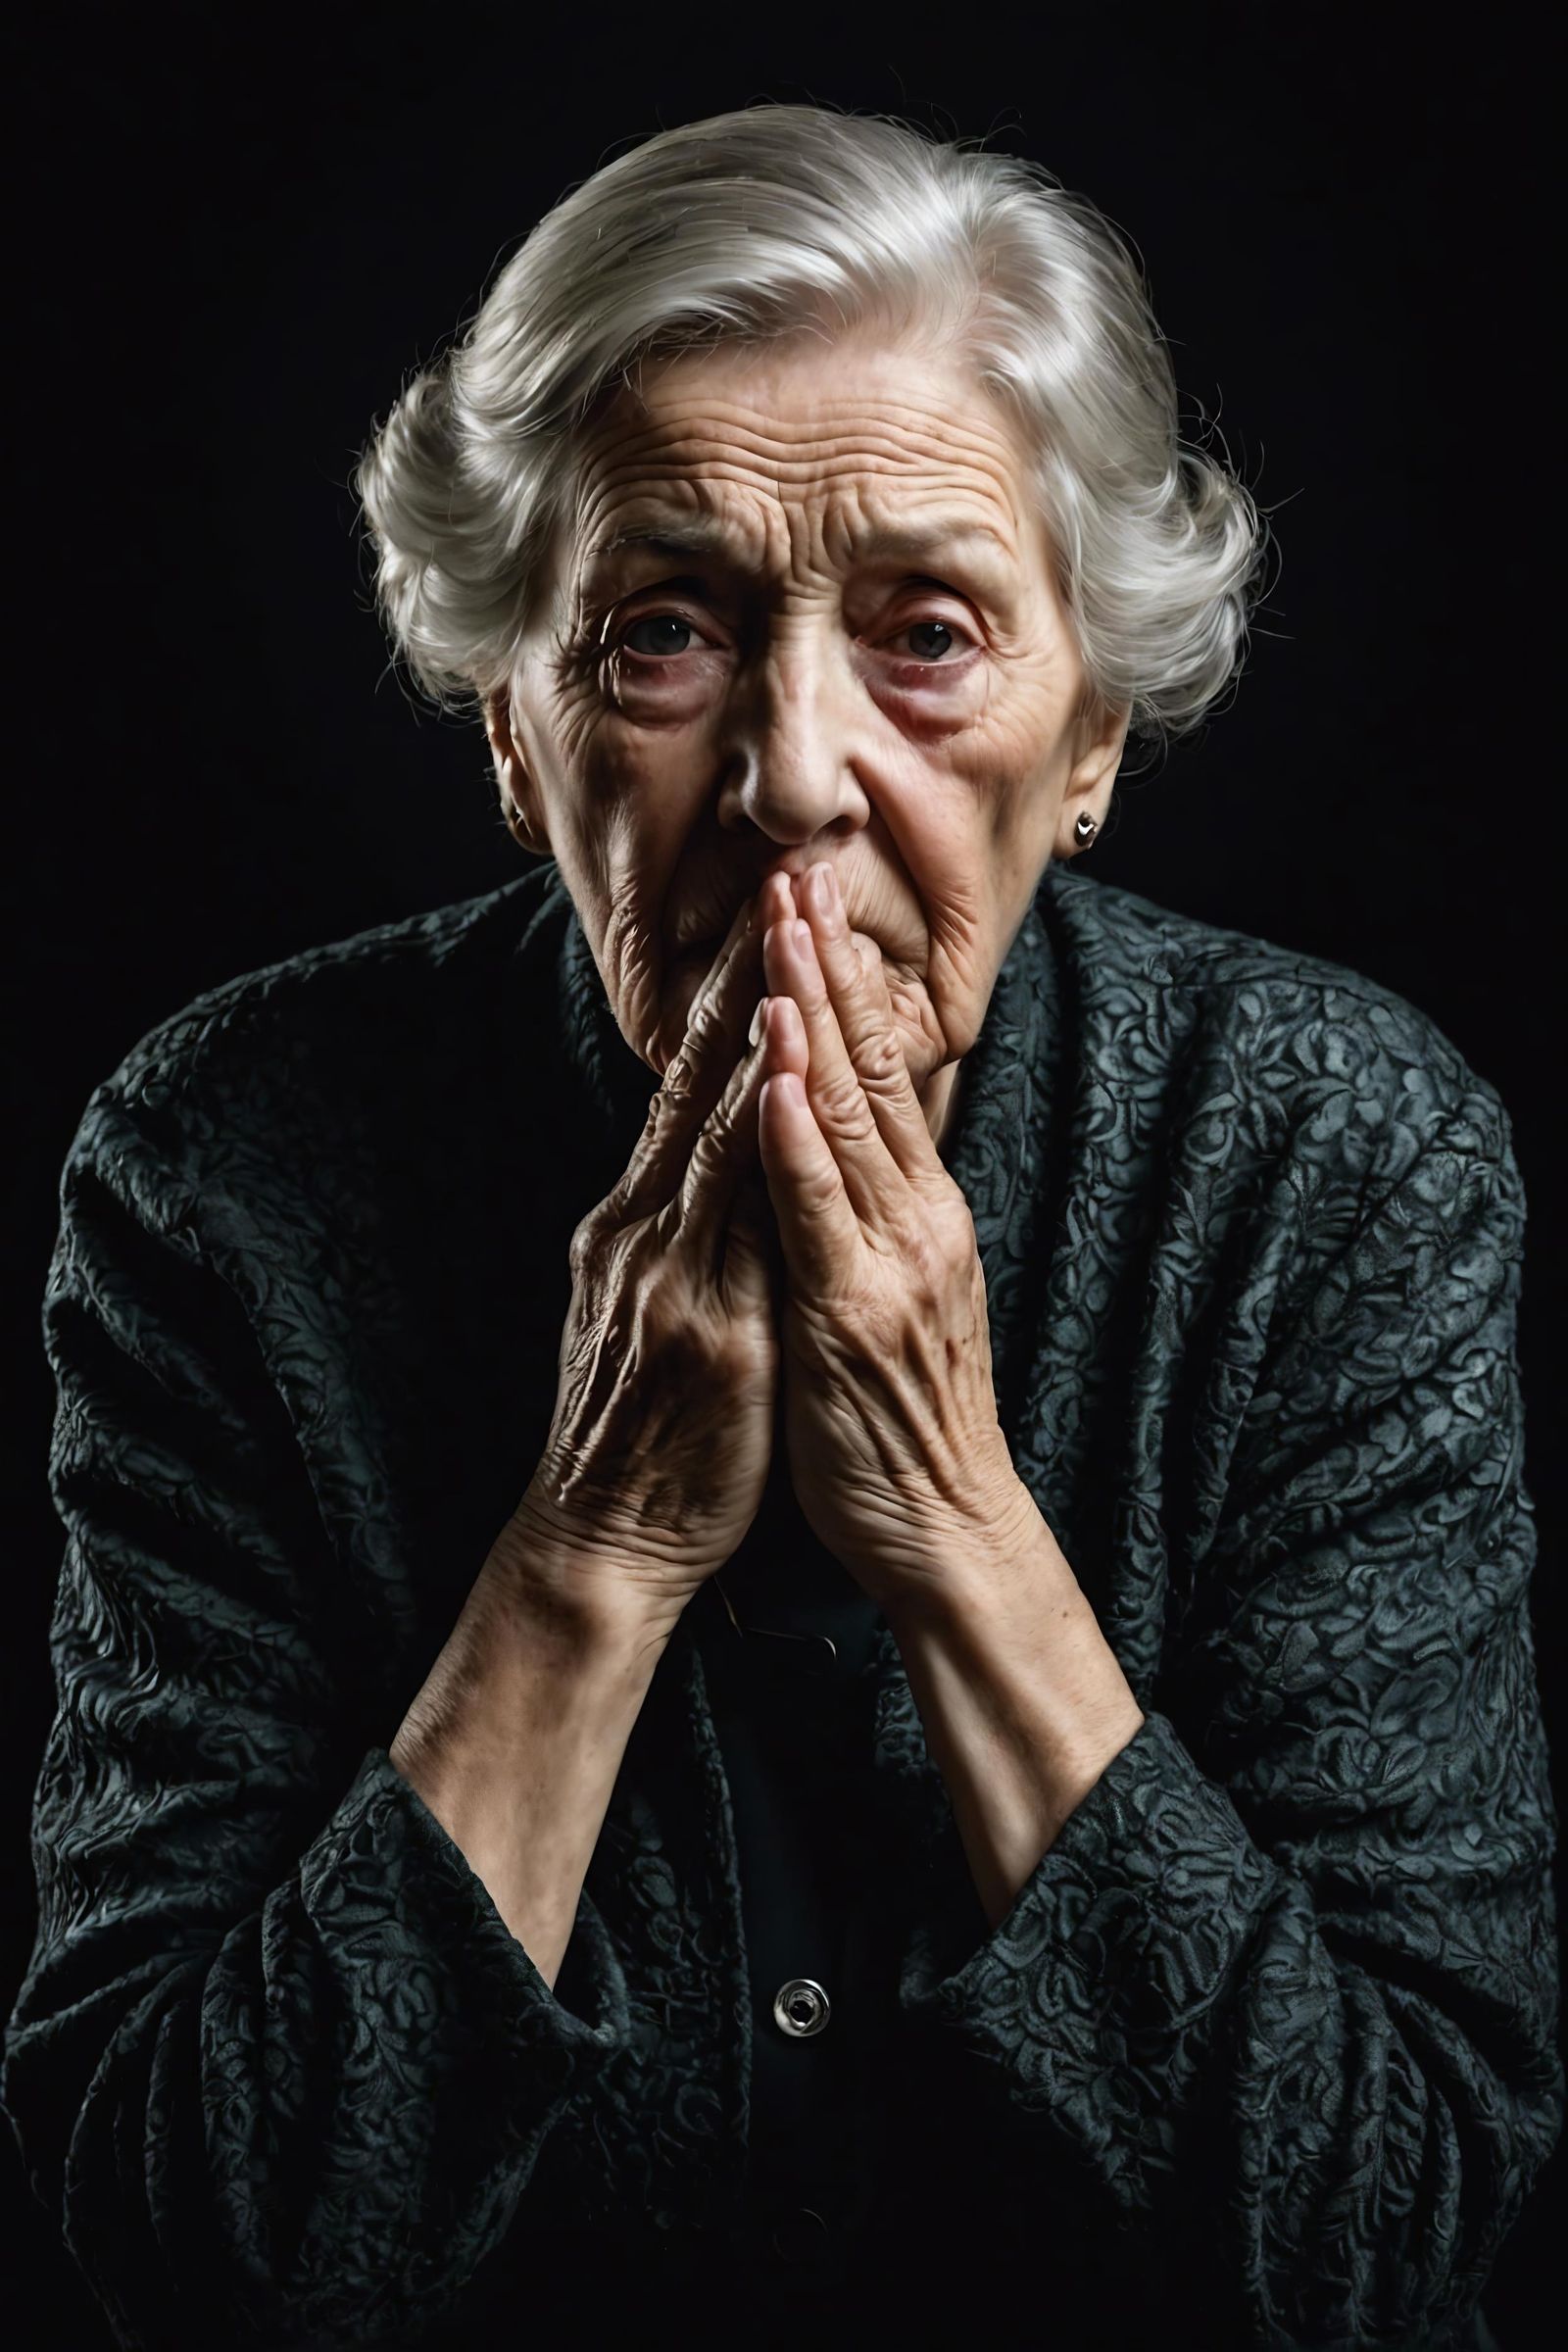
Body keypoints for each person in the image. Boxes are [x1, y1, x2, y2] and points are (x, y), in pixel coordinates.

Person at [3, 100, 1559, 2352]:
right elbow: (201, 2250)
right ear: (511, 728)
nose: (793, 774)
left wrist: (950, 1525)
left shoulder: (1336, 1156)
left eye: (927, 632)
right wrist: (595, 1543)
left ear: (1091, 735)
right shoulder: (223, 1166)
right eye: (660, 634)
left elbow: (1373, 2240)